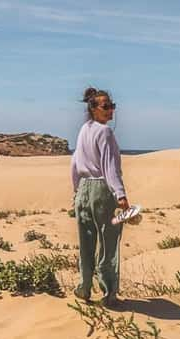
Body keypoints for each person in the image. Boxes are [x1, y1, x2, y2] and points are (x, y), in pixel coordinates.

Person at [70, 87, 129, 306]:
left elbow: (74, 163)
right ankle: (109, 294)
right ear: (93, 108)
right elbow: (109, 166)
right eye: (105, 106)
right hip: (102, 191)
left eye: (112, 106)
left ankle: (84, 287)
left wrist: (76, 191)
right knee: (108, 243)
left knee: (86, 242)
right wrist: (120, 195)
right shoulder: (104, 132)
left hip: (83, 190)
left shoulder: (84, 129)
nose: (110, 110)